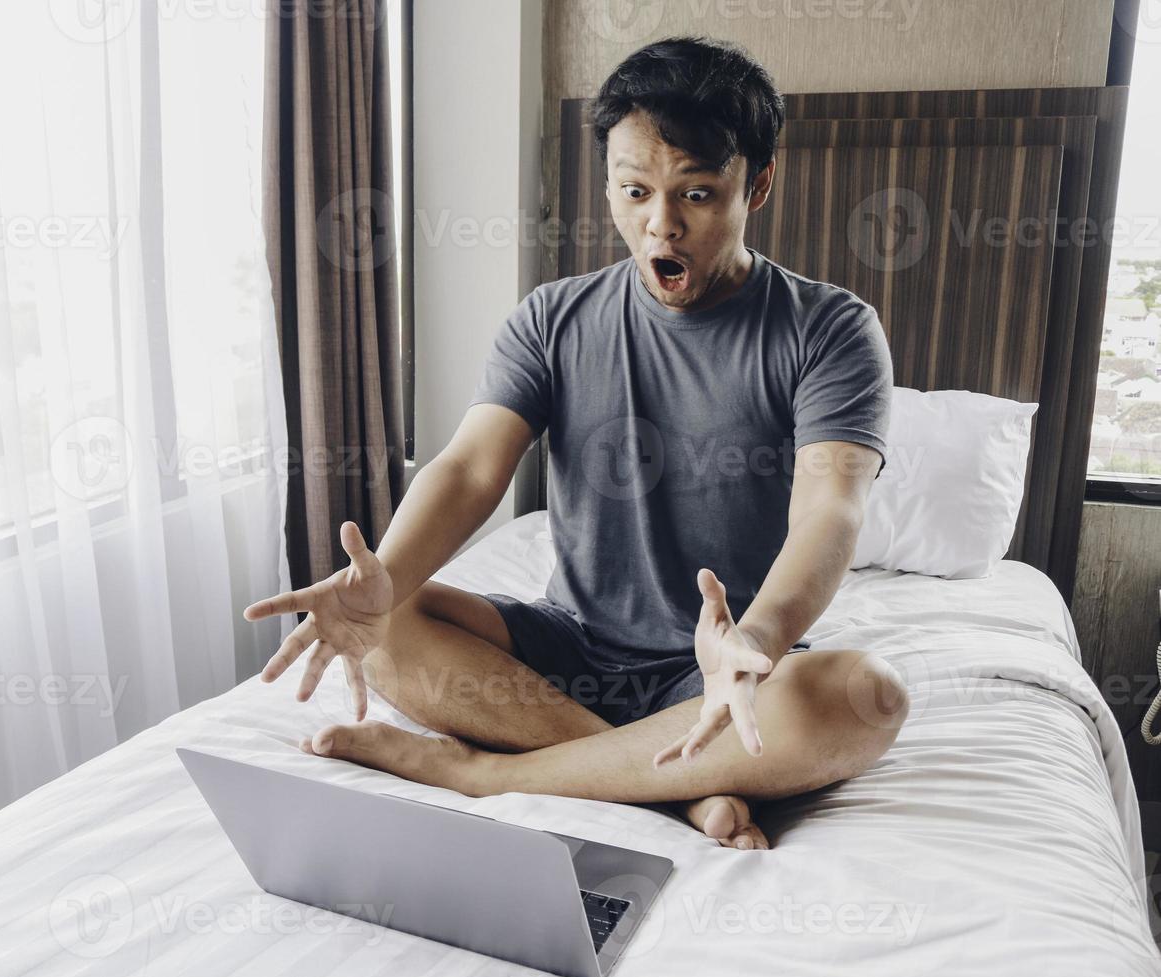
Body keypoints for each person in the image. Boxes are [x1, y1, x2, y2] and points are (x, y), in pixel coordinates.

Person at [244, 36, 909, 850]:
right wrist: (383, 581)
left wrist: (757, 639)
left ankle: (482, 770)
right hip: (569, 650)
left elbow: (829, 512)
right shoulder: (552, 319)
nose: (660, 225)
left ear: (757, 183)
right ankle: (669, 785)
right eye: (635, 191)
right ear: (608, 185)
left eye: (696, 194)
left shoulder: (831, 330)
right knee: (390, 617)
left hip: (730, 669)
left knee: (862, 695)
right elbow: (469, 467)